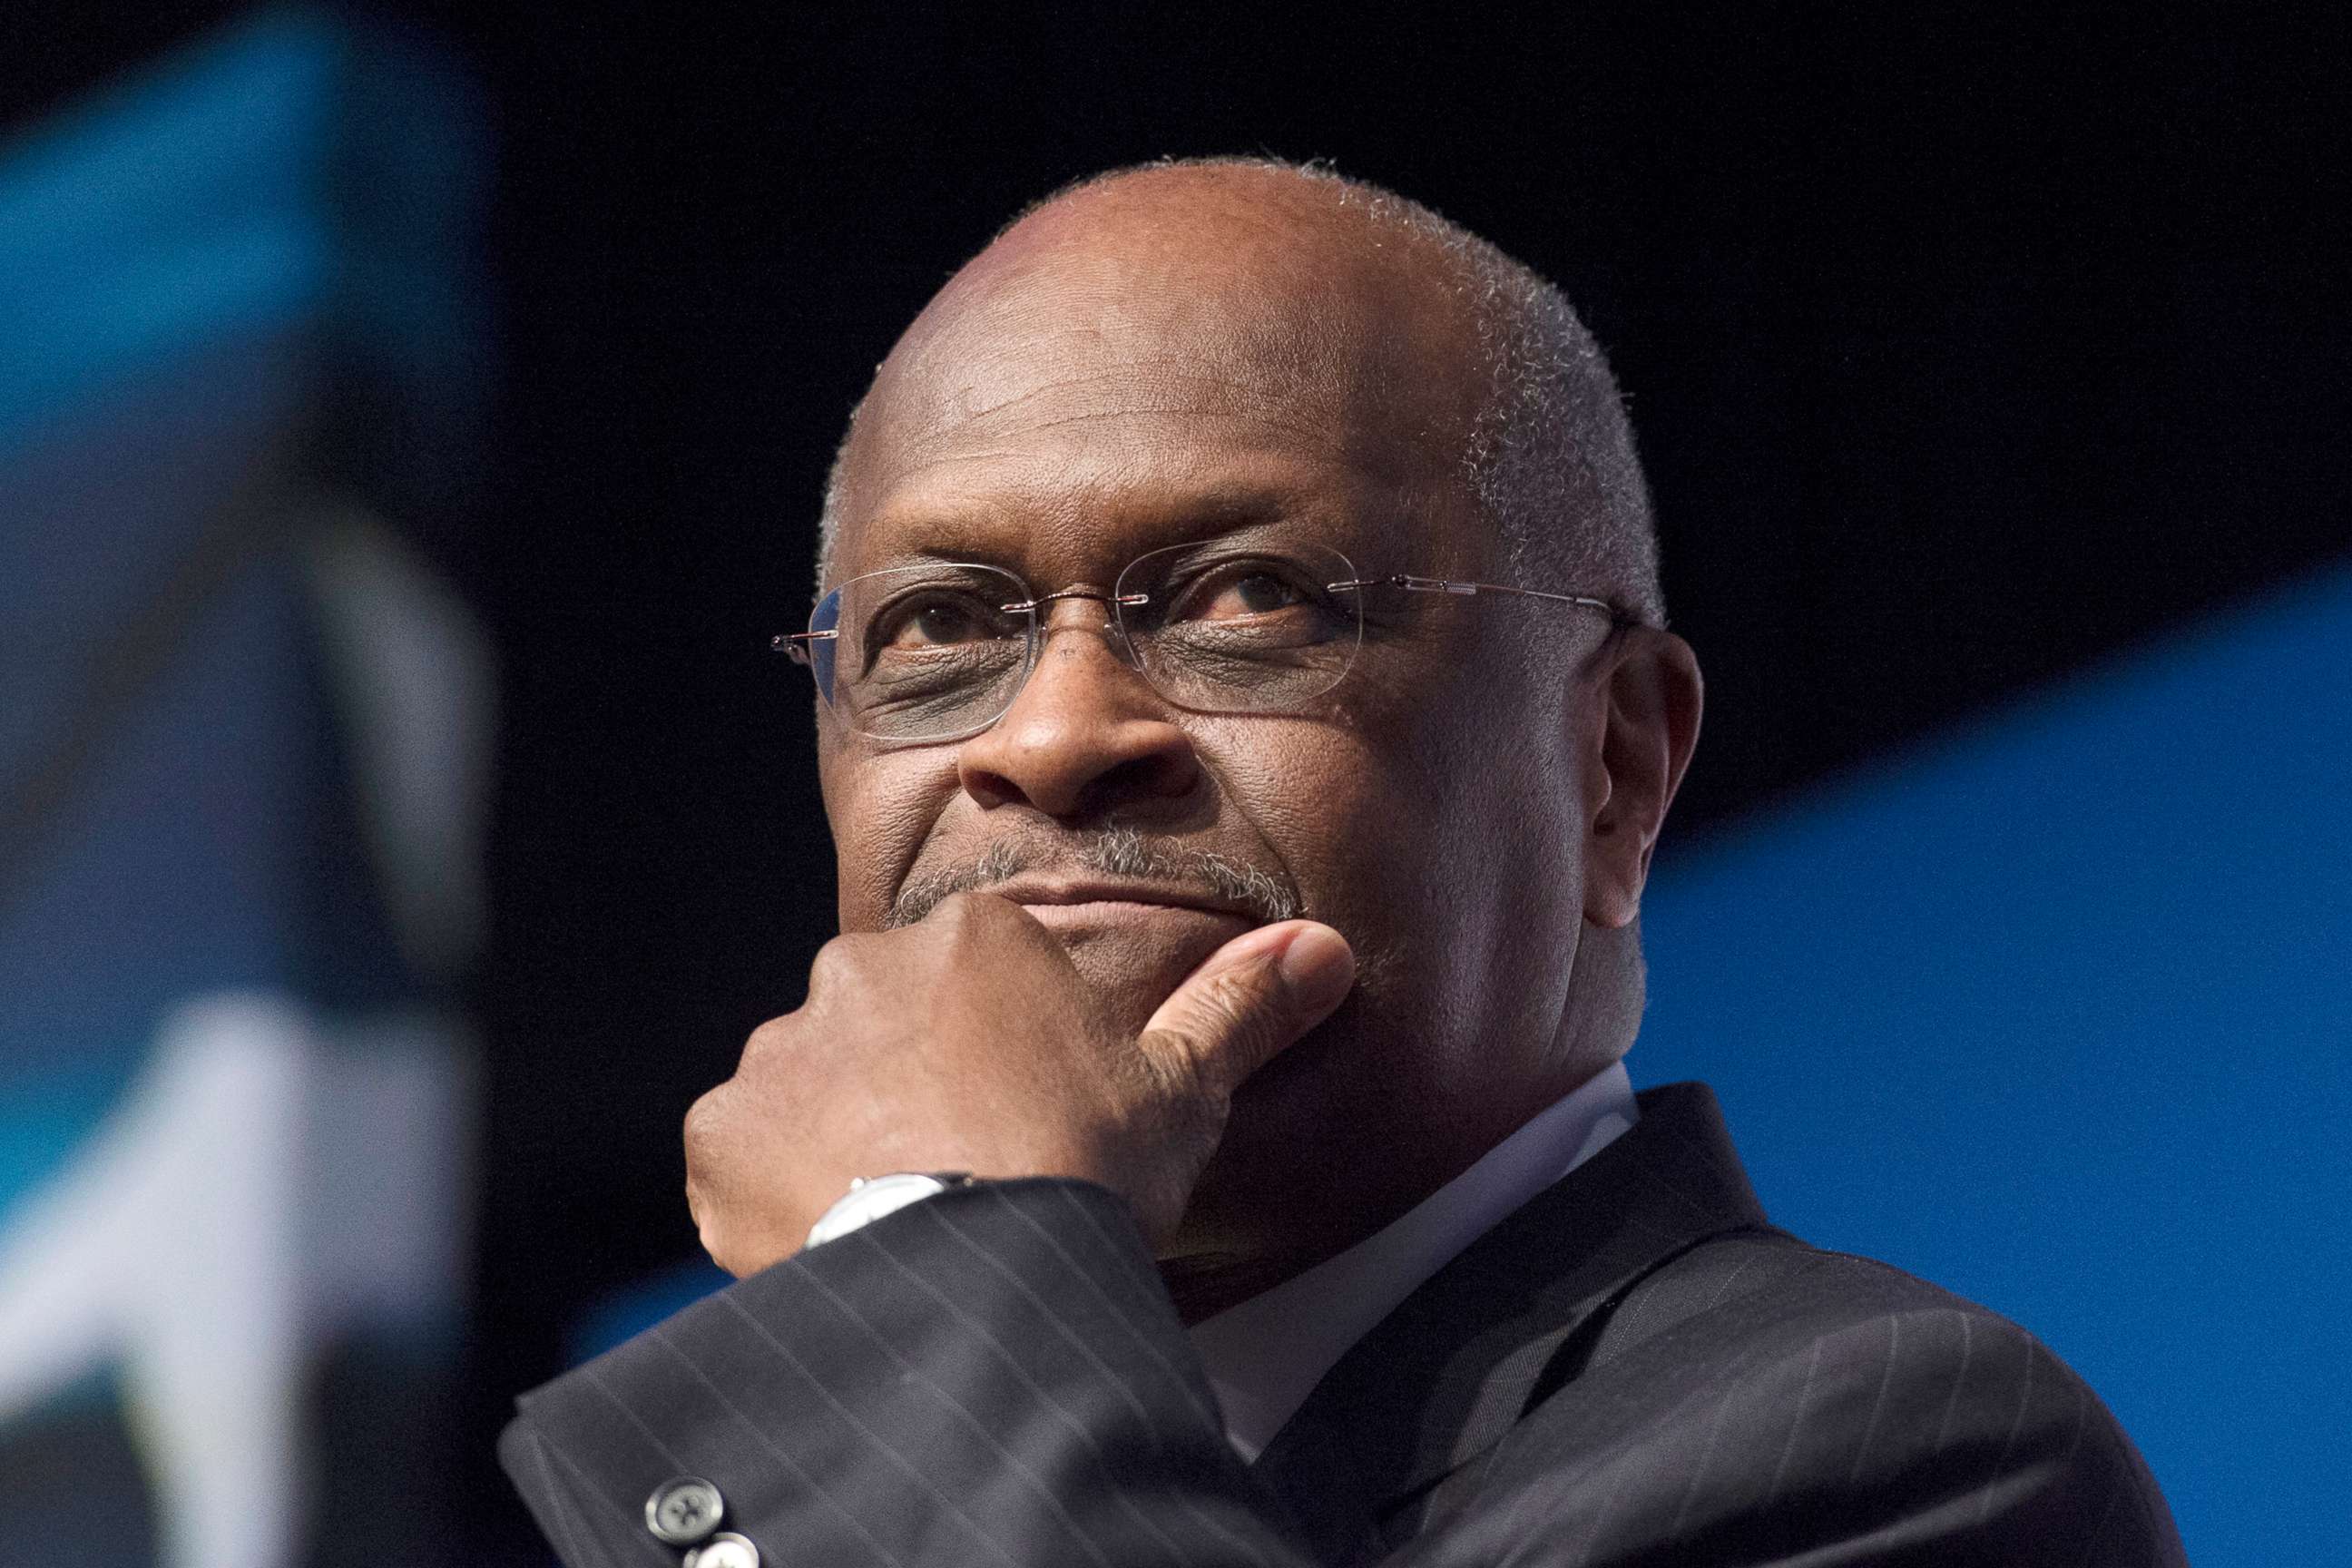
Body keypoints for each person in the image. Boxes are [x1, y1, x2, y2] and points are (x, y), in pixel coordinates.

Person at [500, 158, 2184, 1567]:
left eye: (1251, 598)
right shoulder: (723, 1483)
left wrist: (925, 1247)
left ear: (1615, 769)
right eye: (943, 627)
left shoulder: (1906, 1455)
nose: (1055, 734)